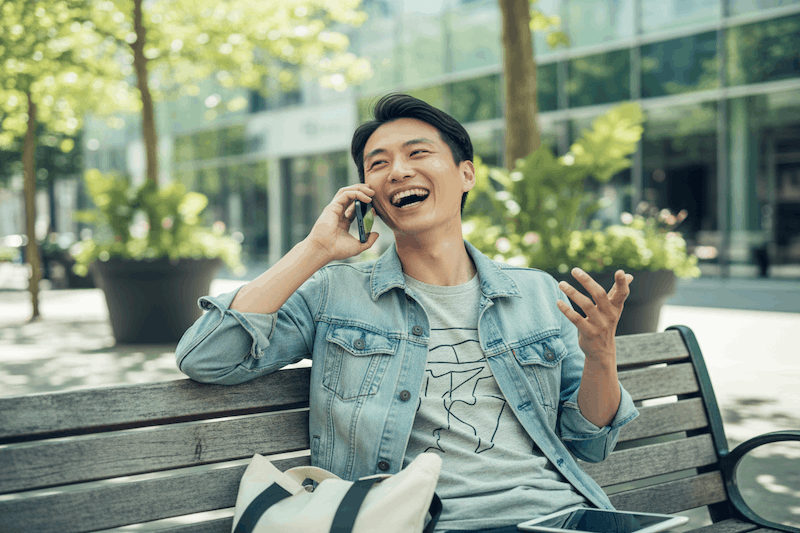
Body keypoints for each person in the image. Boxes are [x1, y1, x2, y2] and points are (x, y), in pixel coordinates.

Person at [176, 94, 639, 533]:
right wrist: (315, 249)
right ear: (366, 194)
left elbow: (591, 443)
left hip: (559, 515)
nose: (397, 171)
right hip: (416, 521)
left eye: (418, 154)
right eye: (378, 163)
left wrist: (601, 356)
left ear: (466, 175)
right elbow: (205, 356)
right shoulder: (334, 293)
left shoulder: (536, 292)